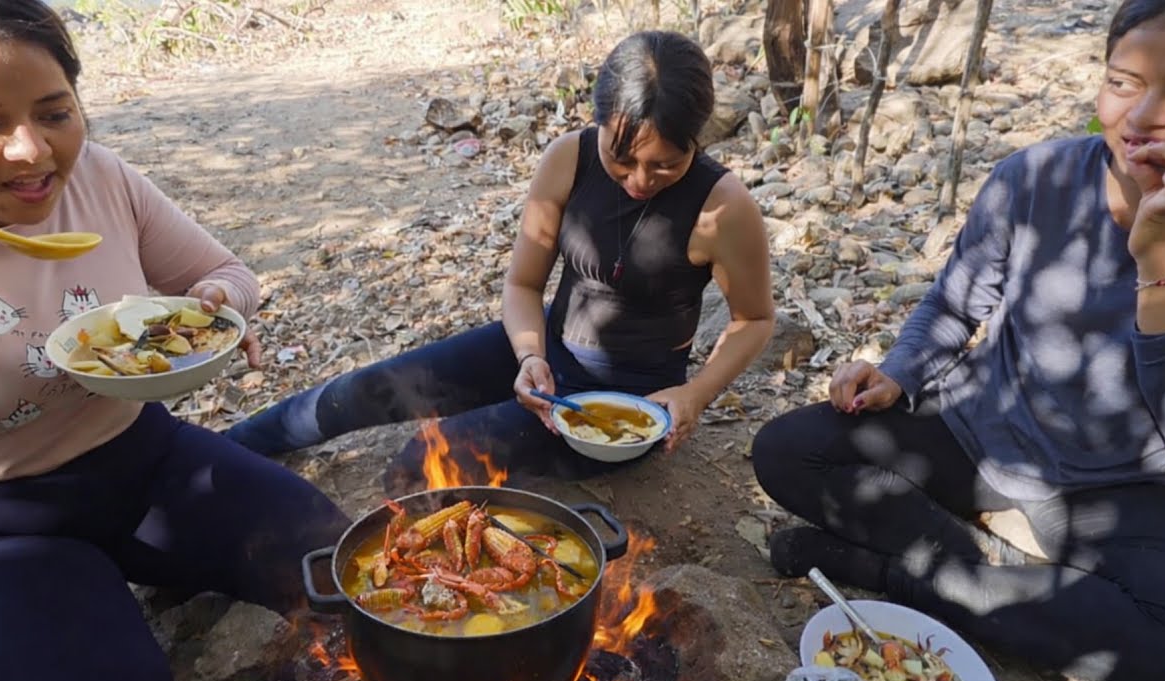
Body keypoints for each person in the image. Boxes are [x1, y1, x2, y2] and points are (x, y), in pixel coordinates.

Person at [752, 0, 1165, 681]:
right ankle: (991, 570)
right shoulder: (1036, 179)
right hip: (982, 429)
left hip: (1125, 486)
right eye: (1123, 82)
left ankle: (896, 574)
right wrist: (898, 374)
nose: (1145, 116)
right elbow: (954, 304)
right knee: (787, 451)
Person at [0, 1, 352, 681]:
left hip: (144, 460)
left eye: (54, 113)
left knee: (342, 566)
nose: (30, 151)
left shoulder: (98, 179)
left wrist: (217, 304)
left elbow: (226, 274)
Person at [227, 30, 775, 493]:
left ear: (697, 138)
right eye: (621, 158)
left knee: (419, 464)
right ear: (599, 123)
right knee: (361, 392)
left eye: (665, 166)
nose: (639, 180)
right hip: (546, 347)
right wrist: (529, 355)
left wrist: (693, 395)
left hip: (627, 403)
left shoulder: (723, 208)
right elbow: (523, 285)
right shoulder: (569, 158)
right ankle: (222, 450)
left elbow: (754, 319)